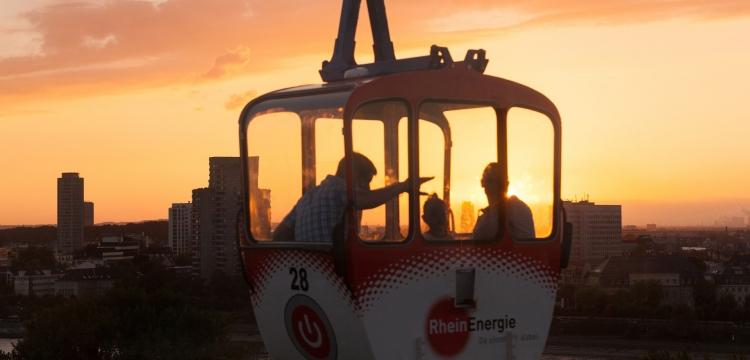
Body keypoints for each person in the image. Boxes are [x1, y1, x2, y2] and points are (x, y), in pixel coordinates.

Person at [273, 152, 432, 242]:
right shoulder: (340, 190)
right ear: (354, 176)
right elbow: (368, 199)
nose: (368, 188)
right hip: (332, 275)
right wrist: (403, 186)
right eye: (366, 182)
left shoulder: (308, 196)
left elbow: (279, 235)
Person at [472, 162, 535, 239]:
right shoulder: (486, 215)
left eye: (491, 180)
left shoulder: (516, 208)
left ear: (506, 184)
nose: (487, 186)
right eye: (486, 181)